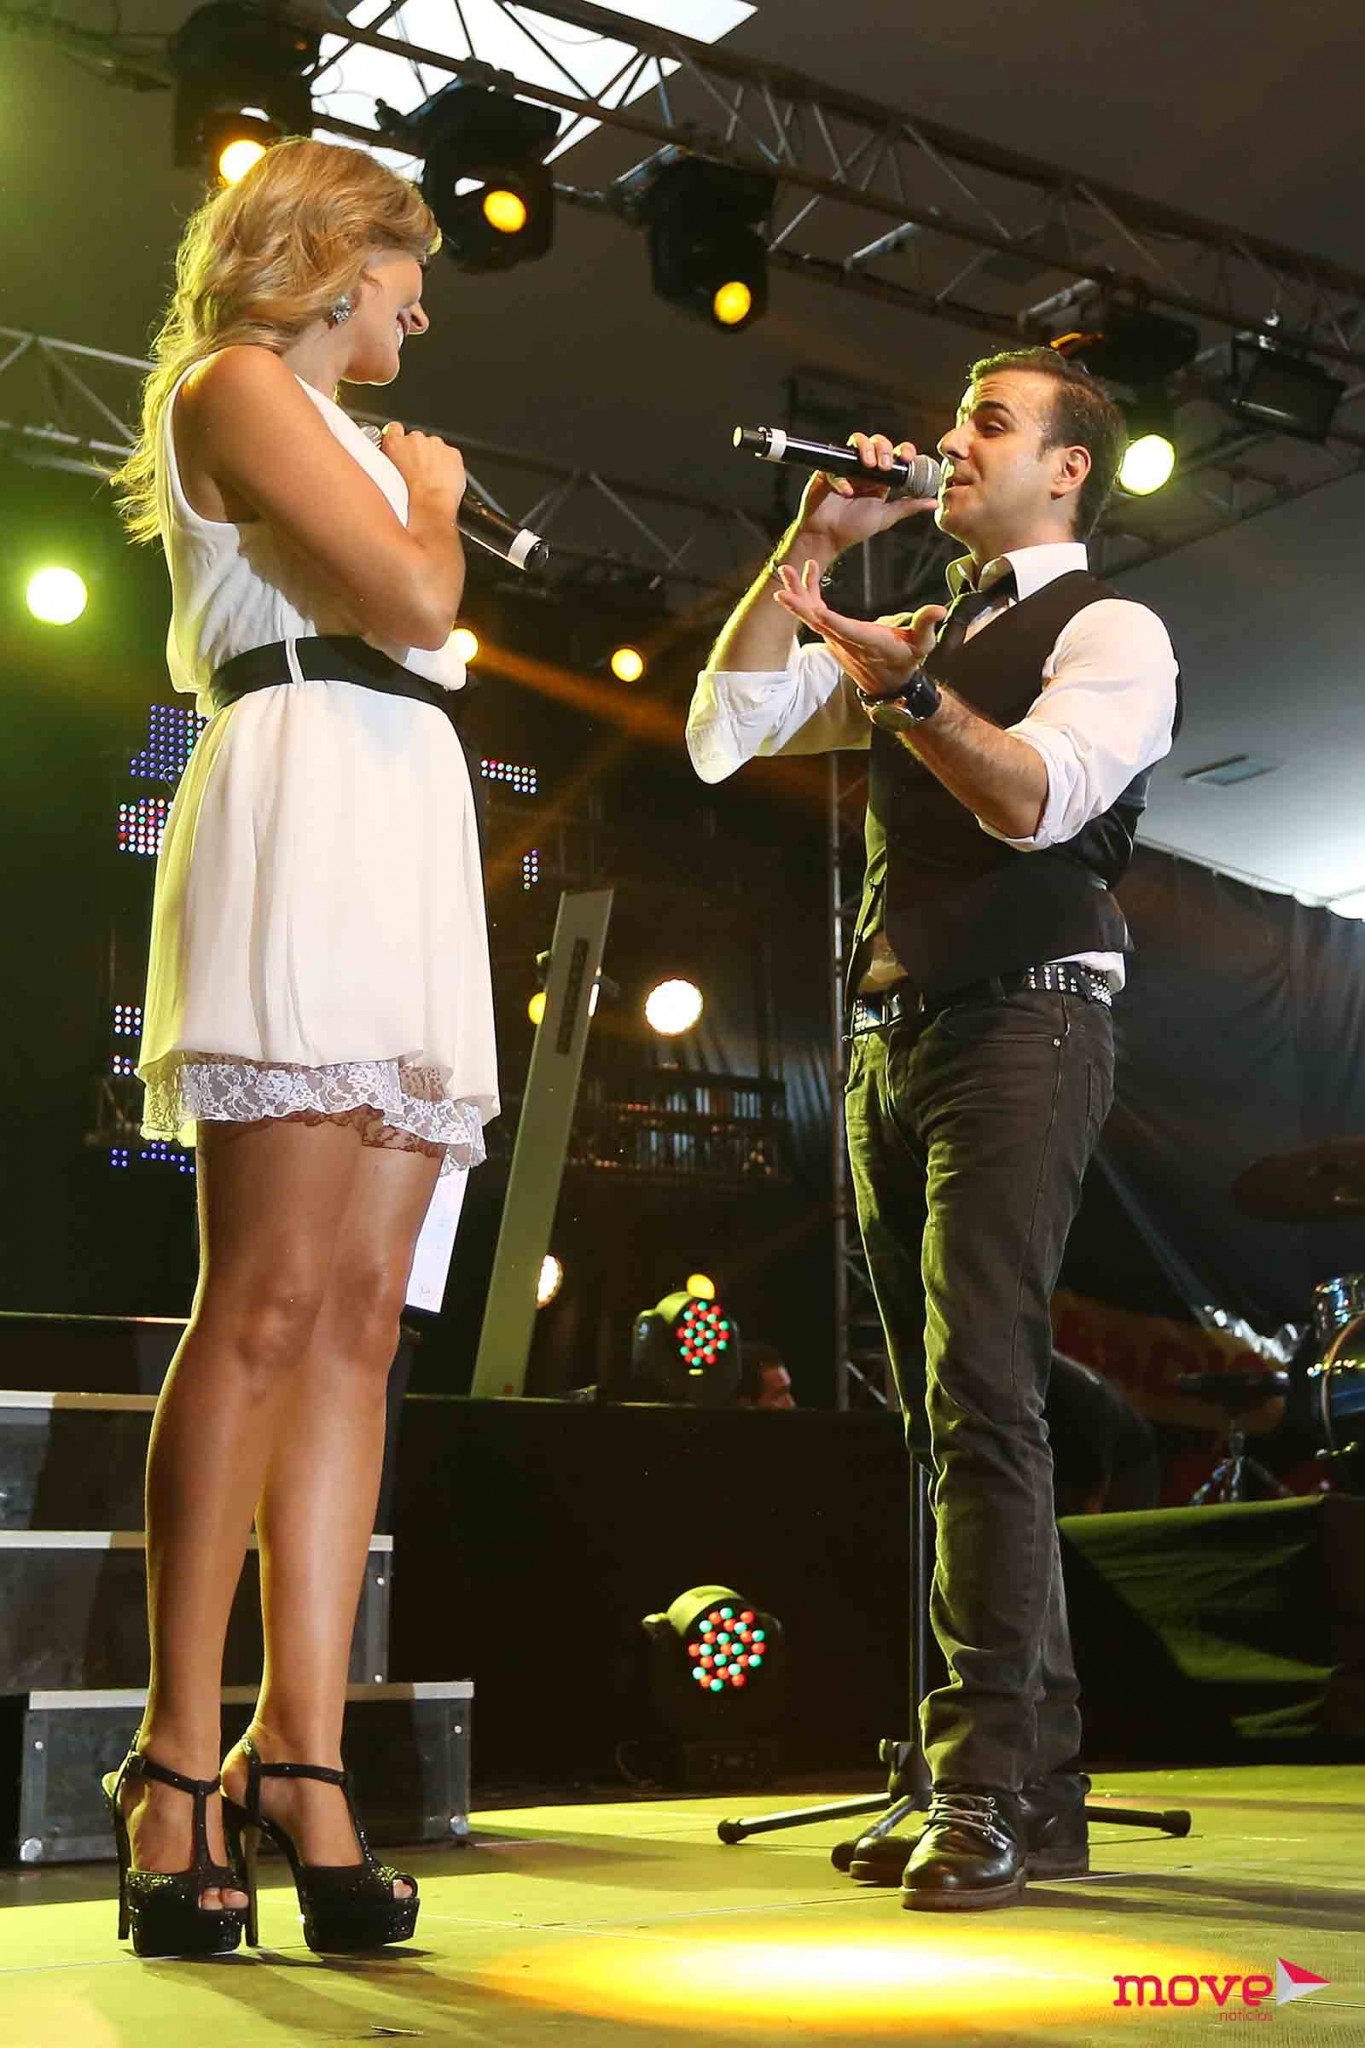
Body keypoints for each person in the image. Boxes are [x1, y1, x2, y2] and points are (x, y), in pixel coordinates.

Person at [687, 347, 1178, 1911]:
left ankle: (982, 1781)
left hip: (1026, 1019)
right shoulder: (932, 625)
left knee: (982, 1396)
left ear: (1066, 469)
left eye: (988, 422)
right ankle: (1020, 1784)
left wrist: (902, 686)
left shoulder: (1106, 628)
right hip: (894, 1038)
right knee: (937, 1414)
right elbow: (724, 729)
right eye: (958, 419)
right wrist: (817, 546)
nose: (951, 442)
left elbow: (1035, 800)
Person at [105, 137, 497, 1958]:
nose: (424, 305)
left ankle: (304, 1754)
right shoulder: (238, 383)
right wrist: (431, 500)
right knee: (263, 1301)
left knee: (360, 1322)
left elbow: (411, 635)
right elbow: (413, 604)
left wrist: (410, 498)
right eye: (411, 271)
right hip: (300, 785)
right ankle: (176, 1760)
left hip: (400, 802)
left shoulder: (338, 426)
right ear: (338, 260)